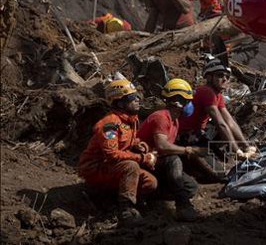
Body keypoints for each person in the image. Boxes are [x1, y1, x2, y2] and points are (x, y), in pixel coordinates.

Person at [78, 78, 157, 226]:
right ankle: (126, 211)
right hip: (95, 168)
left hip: (113, 167)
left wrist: (140, 145)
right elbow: (112, 153)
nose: (137, 100)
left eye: (137, 97)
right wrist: (141, 157)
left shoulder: (130, 120)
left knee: (150, 183)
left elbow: (128, 140)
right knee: (131, 166)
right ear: (120, 103)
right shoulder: (110, 124)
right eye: (132, 98)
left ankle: (110, 198)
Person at [137, 78, 205, 221]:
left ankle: (149, 195)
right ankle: (183, 207)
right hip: (142, 162)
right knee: (173, 160)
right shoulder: (161, 117)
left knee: (191, 187)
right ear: (177, 101)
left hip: (156, 163)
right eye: (187, 101)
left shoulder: (175, 121)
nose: (189, 105)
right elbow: (162, 146)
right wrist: (188, 150)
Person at [178, 59, 251, 157]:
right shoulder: (207, 92)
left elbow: (230, 122)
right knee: (214, 165)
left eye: (227, 77)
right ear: (209, 77)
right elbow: (220, 123)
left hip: (197, 133)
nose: (225, 79)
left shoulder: (218, 95)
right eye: (220, 75)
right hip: (185, 134)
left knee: (220, 157)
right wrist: (237, 150)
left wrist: (246, 146)